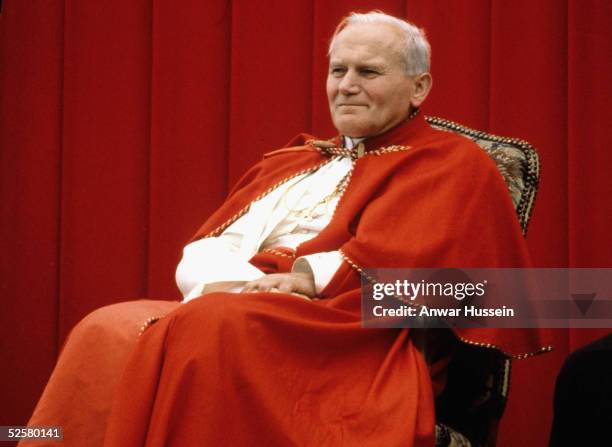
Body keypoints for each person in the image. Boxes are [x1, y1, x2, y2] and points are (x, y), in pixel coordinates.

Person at [24, 11, 548, 447]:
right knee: (106, 326)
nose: (346, 86)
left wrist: (302, 281)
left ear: (419, 87)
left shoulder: (456, 164)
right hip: (245, 306)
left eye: (368, 72)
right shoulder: (294, 160)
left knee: (215, 327)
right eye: (337, 69)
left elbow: (451, 283)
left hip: (352, 337)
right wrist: (246, 287)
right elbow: (210, 248)